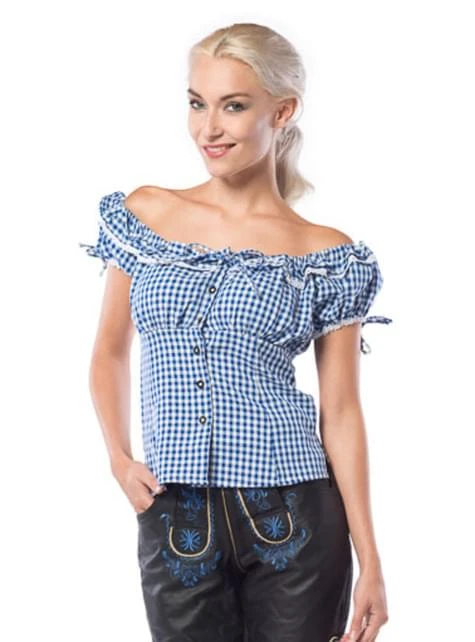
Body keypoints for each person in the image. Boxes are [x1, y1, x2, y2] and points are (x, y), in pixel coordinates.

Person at [79, 22, 391, 642]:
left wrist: (371, 562)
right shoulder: (148, 216)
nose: (208, 129)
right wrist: (119, 457)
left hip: (295, 512)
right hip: (176, 510)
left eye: (234, 106)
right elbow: (109, 351)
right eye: (197, 103)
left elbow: (341, 412)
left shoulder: (325, 255)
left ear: (283, 110)